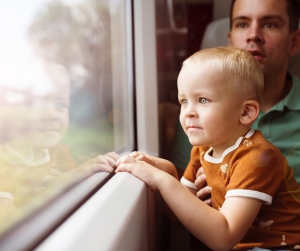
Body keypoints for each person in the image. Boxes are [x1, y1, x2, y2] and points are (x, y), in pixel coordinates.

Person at [116, 47, 300, 250]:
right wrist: (167, 170)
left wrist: (163, 181)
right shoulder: (203, 149)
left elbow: (224, 237)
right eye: (184, 101)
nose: (188, 112)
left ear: (246, 112)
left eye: (203, 100)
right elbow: (177, 216)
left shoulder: (257, 157)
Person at [171, 0, 300, 187]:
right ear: (230, 41)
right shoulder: (198, 110)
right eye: (242, 24)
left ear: (294, 42)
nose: (253, 35)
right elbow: (178, 207)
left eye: (269, 24)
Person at [0, 62, 119, 224]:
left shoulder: (61, 153)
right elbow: (9, 227)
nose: (52, 115)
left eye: (60, 105)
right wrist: (57, 187)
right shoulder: (3, 164)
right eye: (38, 103)